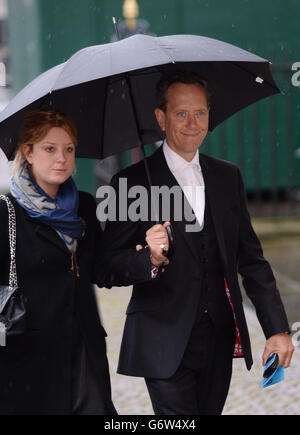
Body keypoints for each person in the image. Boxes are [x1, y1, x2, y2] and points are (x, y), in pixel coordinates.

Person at [99, 71, 295, 415]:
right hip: (161, 340)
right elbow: (104, 267)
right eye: (180, 113)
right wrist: (149, 260)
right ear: (160, 118)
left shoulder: (227, 176)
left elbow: (251, 260)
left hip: (218, 338)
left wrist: (276, 329)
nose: (192, 123)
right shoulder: (130, 183)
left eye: (200, 112)